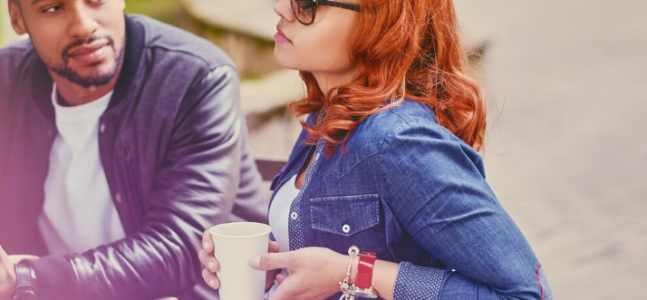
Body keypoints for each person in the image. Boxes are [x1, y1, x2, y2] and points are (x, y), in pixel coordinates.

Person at [0, 0, 266, 299]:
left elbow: (179, 248)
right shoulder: (1, 80)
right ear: (17, 18)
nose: (83, 25)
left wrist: (26, 278)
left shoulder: (195, 77)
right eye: (53, 8)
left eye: (96, 0)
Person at [199, 0, 553, 299]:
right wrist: (272, 267)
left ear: (379, 26)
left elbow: (526, 293)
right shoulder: (327, 115)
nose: (281, 7)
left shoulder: (396, 140)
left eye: (308, 3)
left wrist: (356, 272)